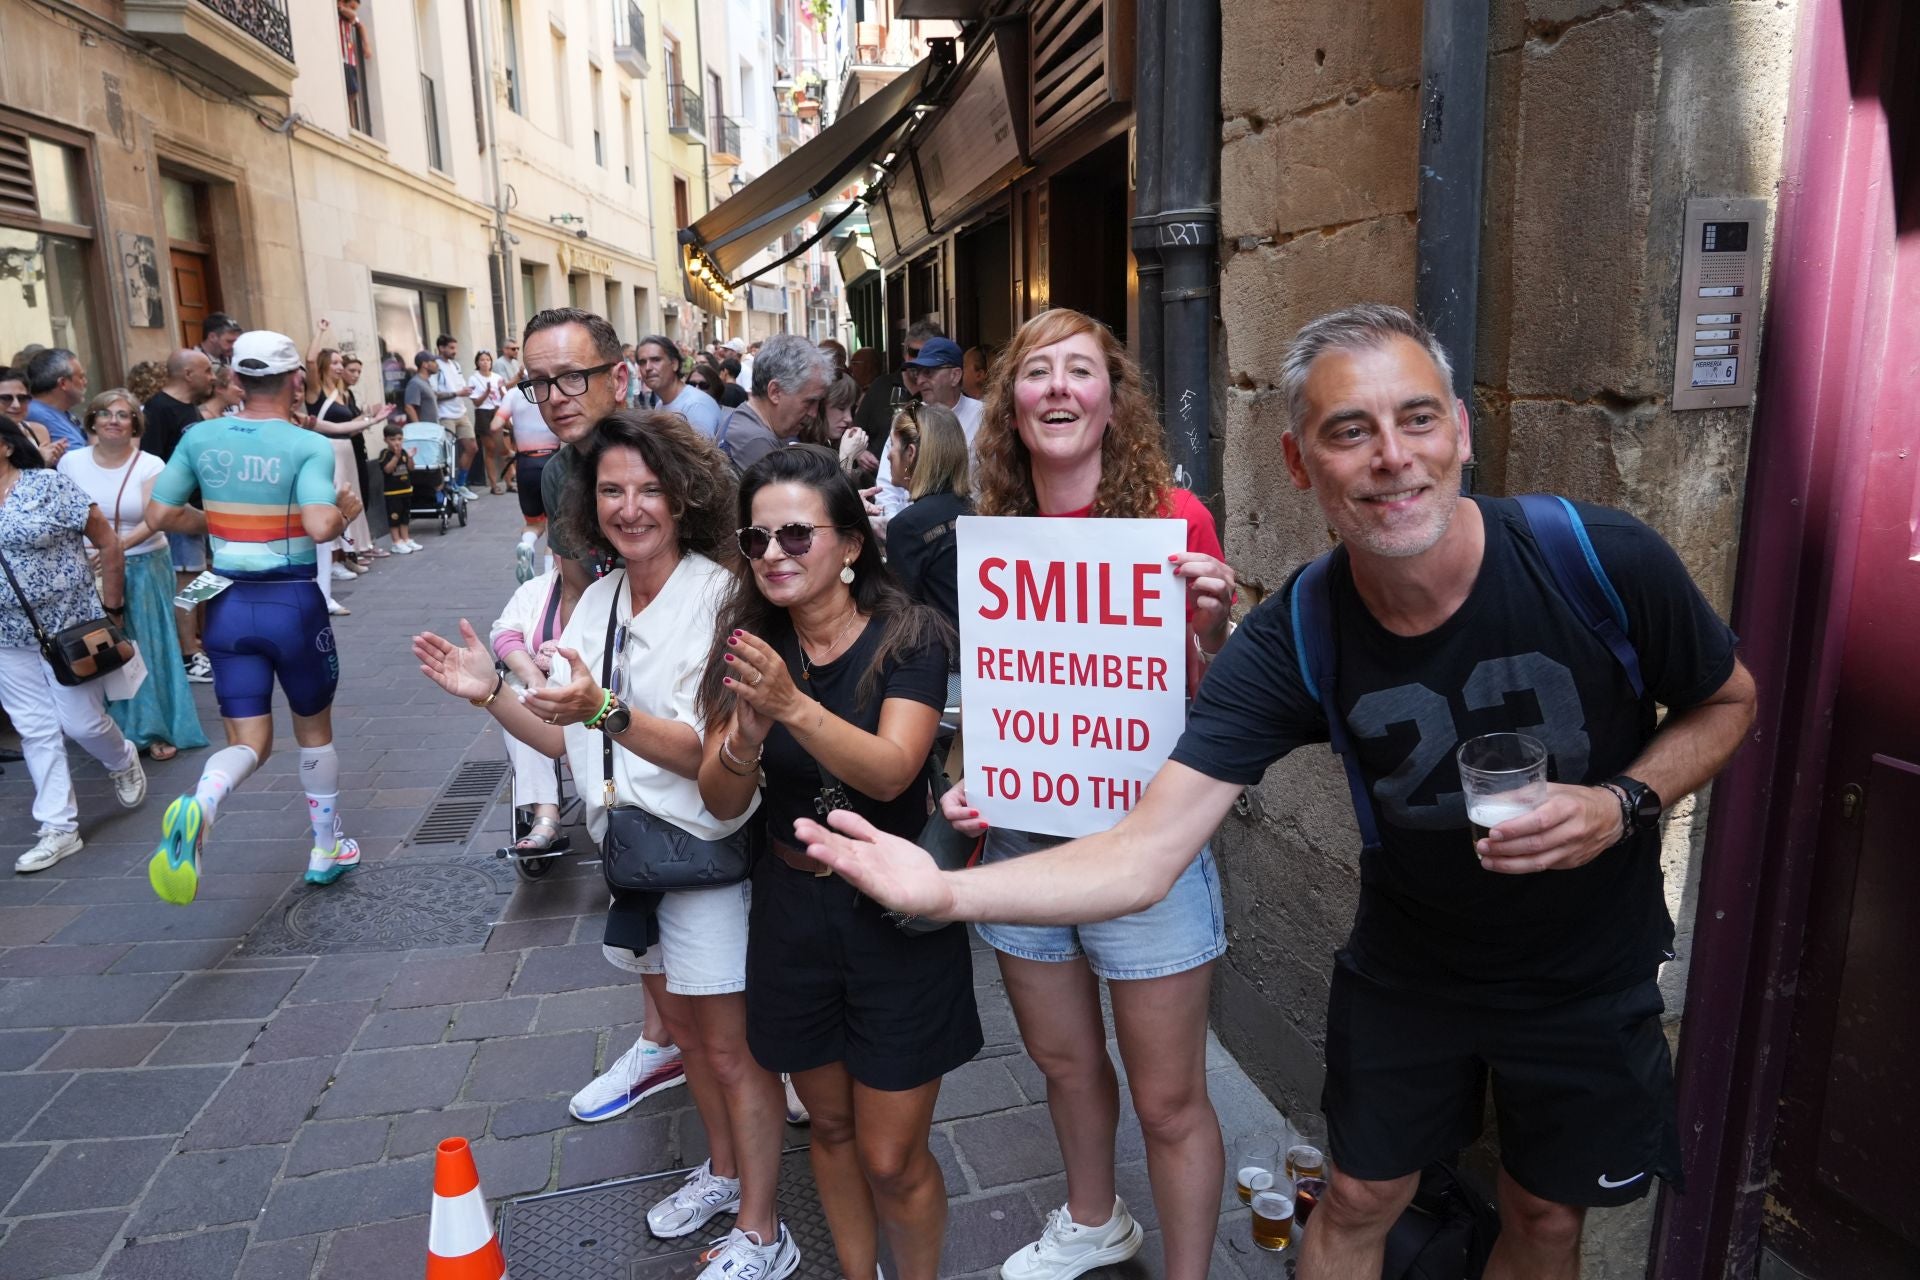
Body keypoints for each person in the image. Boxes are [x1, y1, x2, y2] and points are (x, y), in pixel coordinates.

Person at [800, 304, 1761, 1280]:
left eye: (1418, 418)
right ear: (1301, 463)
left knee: (1545, 1214)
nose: (1392, 455)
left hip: (1587, 970)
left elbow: (1728, 699)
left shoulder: (1596, 555)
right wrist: (946, 889)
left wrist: (1624, 802)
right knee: (1353, 1195)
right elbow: (1151, 846)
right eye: (1350, 430)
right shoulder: (1301, 626)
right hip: (1411, 967)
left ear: (1462, 431)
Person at [797, 307, 1239, 1280]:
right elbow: (1010, 695)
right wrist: (975, 782)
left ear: (1113, 399)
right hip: (1026, 845)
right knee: (1066, 1062)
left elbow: (1212, 703)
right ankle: (1095, 1218)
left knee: (1169, 1099)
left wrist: (1211, 630)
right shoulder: (995, 534)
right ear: (1012, 406)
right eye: (1037, 371)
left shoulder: (1176, 521)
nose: (1057, 388)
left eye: (1081, 370)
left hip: (1147, 844)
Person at [414, 410, 796, 1280]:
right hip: (631, 857)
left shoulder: (718, 598)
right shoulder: (602, 599)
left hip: (702, 856)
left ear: (686, 496)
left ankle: (765, 1232)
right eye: (613, 490)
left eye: (649, 490)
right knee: (691, 1044)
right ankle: (725, 1173)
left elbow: (712, 758)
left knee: (734, 1051)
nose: (630, 508)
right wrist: (489, 696)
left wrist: (601, 711)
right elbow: (565, 739)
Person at [696, 445, 977, 1280]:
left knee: (892, 1156)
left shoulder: (910, 638)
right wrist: (745, 742)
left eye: (795, 535)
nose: (774, 555)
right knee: (830, 1129)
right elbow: (718, 797)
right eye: (757, 541)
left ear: (851, 545)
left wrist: (790, 706)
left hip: (892, 916)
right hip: (792, 911)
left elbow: (893, 768)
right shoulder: (745, 644)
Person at [144, 330, 367, 903]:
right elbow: (320, 527)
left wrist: (217, 523)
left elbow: (161, 512)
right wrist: (345, 514)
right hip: (291, 601)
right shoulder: (306, 444)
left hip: (226, 602)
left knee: (248, 739)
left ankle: (203, 802)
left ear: (236, 381)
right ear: (297, 379)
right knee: (312, 728)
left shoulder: (199, 436)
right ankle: (325, 847)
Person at [0, 415, 148, 872]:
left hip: (70, 629)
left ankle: (121, 758)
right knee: (36, 730)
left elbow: (107, 542)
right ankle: (58, 828)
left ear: (5, 447)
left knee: (82, 724)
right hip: (7, 636)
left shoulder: (47, 486)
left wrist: (112, 606)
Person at [58, 391, 207, 763]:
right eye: (105, 413)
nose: (114, 420)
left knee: (144, 645)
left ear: (134, 425)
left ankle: (153, 727)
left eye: (123, 415)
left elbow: (155, 518)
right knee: (96, 646)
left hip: (142, 564)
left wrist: (114, 548)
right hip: (85, 570)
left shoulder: (150, 464)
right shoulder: (70, 463)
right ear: (91, 420)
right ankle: (109, 728)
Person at [871, 337, 983, 523]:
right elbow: (887, 487)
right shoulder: (908, 419)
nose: (920, 380)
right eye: (918, 372)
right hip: (915, 530)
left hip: (972, 531)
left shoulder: (984, 418)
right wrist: (897, 525)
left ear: (955, 375)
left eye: (929, 372)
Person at [881, 403, 970, 630]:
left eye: (892, 445)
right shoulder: (976, 510)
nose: (889, 455)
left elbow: (899, 615)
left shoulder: (908, 525)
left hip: (940, 657)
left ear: (910, 454)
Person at [714, 334, 832, 472]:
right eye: (809, 402)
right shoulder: (756, 442)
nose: (814, 413)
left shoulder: (750, 424)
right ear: (775, 392)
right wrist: (846, 460)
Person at [499, 380, 560, 580]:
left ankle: (526, 544)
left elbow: (494, 425)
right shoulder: (555, 389)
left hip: (525, 464)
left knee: (534, 523)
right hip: (552, 460)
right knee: (554, 525)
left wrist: (505, 449)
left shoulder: (514, 394)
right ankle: (549, 576)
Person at [635, 336, 722, 438]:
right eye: (642, 362)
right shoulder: (660, 404)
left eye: (656, 360)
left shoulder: (696, 405)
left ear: (674, 364)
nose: (648, 367)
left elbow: (700, 453)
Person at [432, 334, 479, 499]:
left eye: (455, 348)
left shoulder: (455, 365)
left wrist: (467, 390)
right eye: (451, 348)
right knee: (448, 455)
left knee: (472, 447)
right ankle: (449, 487)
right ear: (441, 348)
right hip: (445, 415)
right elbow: (434, 394)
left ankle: (460, 484)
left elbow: (459, 386)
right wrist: (457, 393)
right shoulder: (435, 366)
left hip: (461, 412)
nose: (454, 351)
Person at [24, 347, 89, 456]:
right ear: (63, 383)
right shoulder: (38, 414)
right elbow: (80, 461)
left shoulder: (59, 411)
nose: (85, 382)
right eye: (81, 377)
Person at [376, 423, 420, 553]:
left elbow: (411, 468)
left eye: (399, 439)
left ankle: (406, 539)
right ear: (386, 440)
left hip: (405, 489)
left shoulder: (404, 453)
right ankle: (396, 542)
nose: (397, 442)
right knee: (394, 517)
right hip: (392, 492)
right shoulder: (385, 454)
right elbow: (387, 470)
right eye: (393, 439)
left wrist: (410, 458)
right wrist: (396, 456)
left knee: (405, 517)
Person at [469, 351, 509, 493]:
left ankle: (509, 482)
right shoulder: (474, 379)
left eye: (488, 359)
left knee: (503, 447)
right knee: (491, 449)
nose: (485, 362)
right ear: (477, 363)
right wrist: (486, 392)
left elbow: (505, 397)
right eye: (482, 360)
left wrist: (500, 388)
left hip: (497, 412)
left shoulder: (497, 377)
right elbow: (476, 403)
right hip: (483, 414)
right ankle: (493, 485)